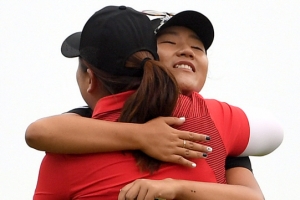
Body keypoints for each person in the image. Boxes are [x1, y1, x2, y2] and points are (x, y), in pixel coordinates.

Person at [26, 6, 284, 200]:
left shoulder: (64, 150)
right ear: (148, 62)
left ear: (90, 79)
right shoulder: (206, 118)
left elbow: (39, 132)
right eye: (169, 42)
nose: (187, 51)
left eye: (198, 47)